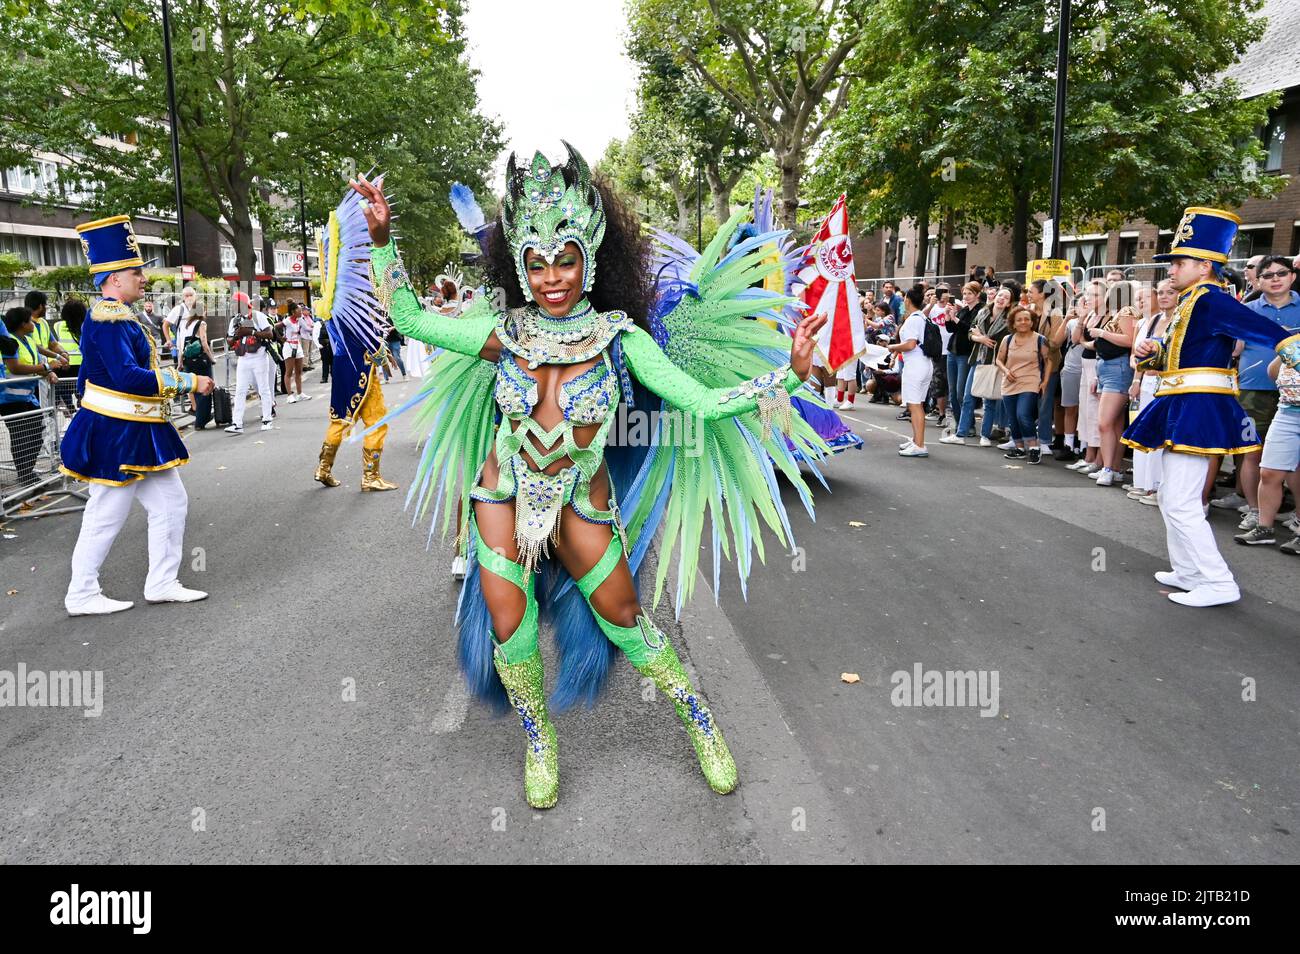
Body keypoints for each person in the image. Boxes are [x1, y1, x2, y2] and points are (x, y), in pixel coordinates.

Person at [346, 144, 826, 808]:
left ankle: (698, 717)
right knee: (509, 623)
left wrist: (788, 377)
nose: (551, 277)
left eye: (564, 260)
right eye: (536, 264)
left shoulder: (620, 339)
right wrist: (380, 242)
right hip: (503, 496)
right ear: (520, 266)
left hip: (580, 504)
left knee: (628, 620)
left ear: (589, 261)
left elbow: (701, 404)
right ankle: (539, 737)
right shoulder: (502, 333)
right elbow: (408, 318)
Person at [1125, 207, 1300, 607]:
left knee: (1183, 500)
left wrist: (1294, 352)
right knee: (1172, 495)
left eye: (1179, 262)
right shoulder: (1189, 302)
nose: (1172, 270)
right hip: (1181, 402)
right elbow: (1178, 357)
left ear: (1205, 265)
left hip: (1200, 407)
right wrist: (1152, 350)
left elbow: (1270, 331)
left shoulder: (1211, 300)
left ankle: (1219, 583)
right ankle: (1188, 570)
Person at [60, 214, 215, 615]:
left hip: (133, 426)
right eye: (135, 272)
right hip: (118, 431)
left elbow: (87, 380)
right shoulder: (108, 317)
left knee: (170, 502)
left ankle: (162, 581)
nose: (143, 278)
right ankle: (81, 593)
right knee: (106, 512)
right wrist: (187, 382)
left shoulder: (119, 315)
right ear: (114, 277)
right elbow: (126, 376)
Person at [1233, 257, 1300, 531]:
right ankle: (1254, 510)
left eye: (1281, 273)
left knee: (1296, 459)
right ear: (1258, 281)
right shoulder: (1247, 310)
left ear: (1292, 276)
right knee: (1252, 452)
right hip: (1254, 389)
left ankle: (1296, 514)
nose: (1275, 278)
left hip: (1296, 395)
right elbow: (1234, 349)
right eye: (1268, 275)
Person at [1234, 351, 1300, 552]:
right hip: (1287, 411)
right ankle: (1264, 528)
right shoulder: (1294, 343)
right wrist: (1286, 350)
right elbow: (1272, 373)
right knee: (1269, 472)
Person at [1126, 280, 1176, 505]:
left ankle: (1158, 486)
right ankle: (1144, 482)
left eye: (1170, 292)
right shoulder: (1154, 320)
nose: (1165, 296)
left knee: (1162, 435)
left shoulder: (1180, 321)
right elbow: (1141, 355)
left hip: (1168, 385)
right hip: (1147, 383)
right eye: (1162, 292)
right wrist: (1137, 378)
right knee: (1145, 431)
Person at [2, 307, 60, 486]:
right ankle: (25, 475)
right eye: (29, 320)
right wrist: (44, 369)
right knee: (21, 437)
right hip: (10, 399)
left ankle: (27, 472)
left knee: (36, 434)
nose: (33, 323)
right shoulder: (9, 342)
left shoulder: (27, 339)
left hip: (27, 396)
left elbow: (39, 359)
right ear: (22, 324)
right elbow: (15, 368)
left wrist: (49, 369)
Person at [1088, 294, 1138, 487]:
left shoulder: (1127, 311)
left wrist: (1102, 333)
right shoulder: (1118, 313)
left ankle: (1108, 468)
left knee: (1105, 423)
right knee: (1115, 424)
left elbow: (1129, 340)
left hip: (1117, 369)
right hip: (1106, 367)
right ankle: (1113, 467)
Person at [994, 306, 1050, 463]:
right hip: (1009, 383)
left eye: (1027, 319)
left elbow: (1048, 361)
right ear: (1013, 323)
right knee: (1012, 417)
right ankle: (1019, 447)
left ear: (1032, 322)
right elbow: (998, 359)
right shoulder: (1008, 339)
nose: (1023, 322)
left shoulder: (1040, 339)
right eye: (1019, 319)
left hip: (1030, 381)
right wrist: (1005, 371)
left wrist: (1045, 381)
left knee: (1023, 414)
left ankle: (1033, 447)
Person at [960, 285, 1011, 447]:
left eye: (1006, 297)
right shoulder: (982, 313)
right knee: (968, 396)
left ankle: (985, 435)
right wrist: (980, 339)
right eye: (1000, 295)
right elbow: (970, 333)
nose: (1002, 298)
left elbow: (1007, 342)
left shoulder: (1009, 319)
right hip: (978, 358)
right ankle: (960, 432)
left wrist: (981, 336)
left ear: (1009, 303)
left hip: (994, 361)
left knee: (989, 400)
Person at [890, 284, 933, 457]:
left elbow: (910, 344)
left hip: (915, 365)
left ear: (907, 300)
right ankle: (917, 440)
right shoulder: (922, 317)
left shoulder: (914, 319)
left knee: (914, 406)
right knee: (917, 405)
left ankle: (920, 445)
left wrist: (892, 347)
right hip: (924, 364)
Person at [225, 291, 276, 434]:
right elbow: (229, 340)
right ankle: (237, 424)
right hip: (243, 359)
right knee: (240, 391)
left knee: (263, 389)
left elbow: (270, 334)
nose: (233, 306)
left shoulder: (257, 316)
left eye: (235, 303)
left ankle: (267, 419)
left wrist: (251, 332)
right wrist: (235, 336)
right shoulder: (234, 320)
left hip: (259, 357)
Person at [178, 299, 216, 428]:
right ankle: (201, 421)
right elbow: (204, 343)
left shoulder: (185, 324)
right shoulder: (201, 323)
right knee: (206, 387)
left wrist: (180, 362)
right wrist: (212, 358)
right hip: (201, 360)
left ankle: (201, 418)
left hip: (188, 360)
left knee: (194, 388)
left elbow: (181, 345)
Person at [51, 298, 85, 414]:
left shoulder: (58, 325)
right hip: (81, 364)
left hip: (65, 364)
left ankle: (69, 407)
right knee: (82, 391)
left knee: (63, 389)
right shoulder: (85, 327)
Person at [279, 300, 313, 403]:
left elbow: (307, 327)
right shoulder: (287, 320)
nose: (301, 311)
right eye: (299, 310)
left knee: (299, 371)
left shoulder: (299, 320)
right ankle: (289, 395)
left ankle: (300, 393)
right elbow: (276, 327)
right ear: (293, 311)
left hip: (297, 346)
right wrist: (280, 338)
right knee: (289, 372)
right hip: (289, 346)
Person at [162, 286, 197, 365]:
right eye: (186, 296)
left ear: (195, 296)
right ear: (183, 297)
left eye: (191, 295)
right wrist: (168, 340)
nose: (189, 297)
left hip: (197, 345)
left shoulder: (197, 308)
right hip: (183, 347)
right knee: (186, 371)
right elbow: (165, 325)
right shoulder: (178, 309)